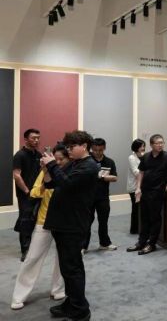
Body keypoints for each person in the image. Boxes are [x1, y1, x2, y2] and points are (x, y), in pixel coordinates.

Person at [42, 130, 98, 321]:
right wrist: (47, 169)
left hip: (73, 224)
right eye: (67, 147)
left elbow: (66, 184)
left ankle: (80, 310)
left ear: (84, 146)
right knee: (67, 268)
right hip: (63, 222)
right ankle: (72, 302)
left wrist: (52, 164)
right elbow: (51, 184)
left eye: (72, 146)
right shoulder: (75, 163)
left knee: (72, 269)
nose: (69, 150)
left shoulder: (89, 166)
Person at [11, 144, 68, 310]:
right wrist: (45, 180)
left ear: (68, 159)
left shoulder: (72, 173)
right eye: (55, 159)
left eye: (61, 159)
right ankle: (19, 295)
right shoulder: (45, 171)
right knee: (32, 258)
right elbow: (34, 192)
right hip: (44, 221)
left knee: (63, 258)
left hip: (65, 223)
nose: (58, 162)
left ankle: (58, 290)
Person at [127, 134, 167, 255]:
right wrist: (138, 188)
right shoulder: (146, 156)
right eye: (157, 143)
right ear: (151, 145)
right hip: (145, 191)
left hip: (158, 192)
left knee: (155, 219)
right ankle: (141, 242)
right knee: (144, 218)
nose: (160, 145)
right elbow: (141, 173)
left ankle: (151, 243)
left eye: (162, 143)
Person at [82, 138, 118, 252]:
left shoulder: (109, 162)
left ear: (104, 148)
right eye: (95, 150)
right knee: (87, 222)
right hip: (88, 197)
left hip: (103, 197)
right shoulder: (86, 161)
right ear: (91, 149)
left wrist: (101, 176)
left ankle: (104, 243)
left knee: (103, 221)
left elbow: (115, 177)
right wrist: (100, 176)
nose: (97, 152)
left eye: (100, 150)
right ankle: (83, 246)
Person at [12, 128, 42, 261]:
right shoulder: (20, 155)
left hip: (37, 193)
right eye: (33, 138)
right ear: (26, 139)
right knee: (25, 221)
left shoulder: (38, 155)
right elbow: (16, 175)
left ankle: (32, 246)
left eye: (38, 138)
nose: (36, 140)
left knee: (34, 220)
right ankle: (25, 250)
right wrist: (26, 191)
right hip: (25, 194)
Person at [127, 139, 145, 234]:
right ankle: (134, 229)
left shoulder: (143, 156)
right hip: (134, 186)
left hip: (142, 186)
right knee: (135, 208)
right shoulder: (131, 157)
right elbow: (136, 172)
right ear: (136, 147)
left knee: (141, 208)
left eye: (144, 146)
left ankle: (140, 227)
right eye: (141, 146)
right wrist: (147, 173)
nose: (143, 148)